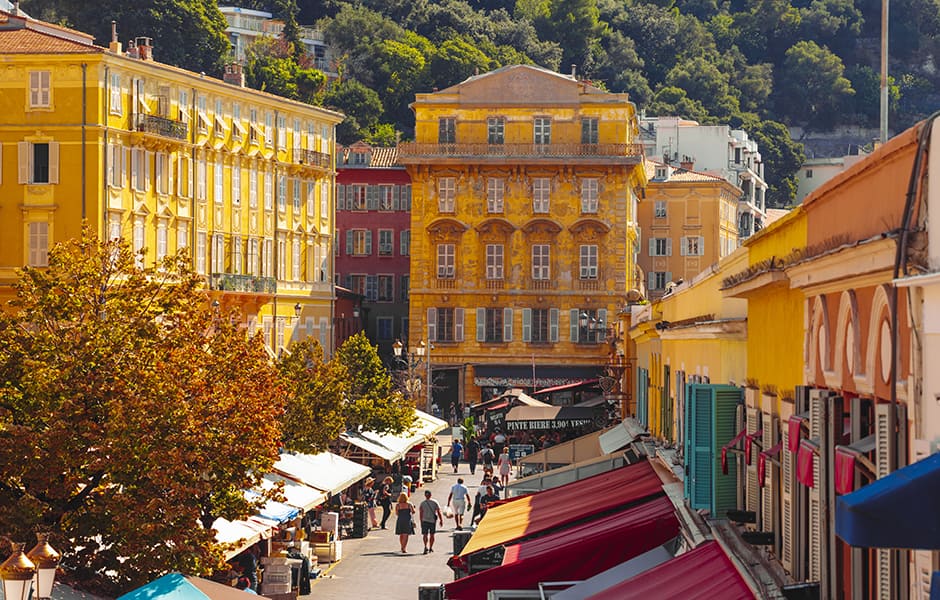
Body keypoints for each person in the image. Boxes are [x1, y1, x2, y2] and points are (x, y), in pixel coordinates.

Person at [418, 490, 444, 554]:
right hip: (432, 521)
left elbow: (421, 513)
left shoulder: (422, 503)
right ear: (430, 495)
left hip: (424, 520)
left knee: (425, 534)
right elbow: (438, 511)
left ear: (425, 495)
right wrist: (441, 520)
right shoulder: (435, 502)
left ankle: (425, 546)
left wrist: (421, 521)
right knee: (432, 534)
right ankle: (430, 547)